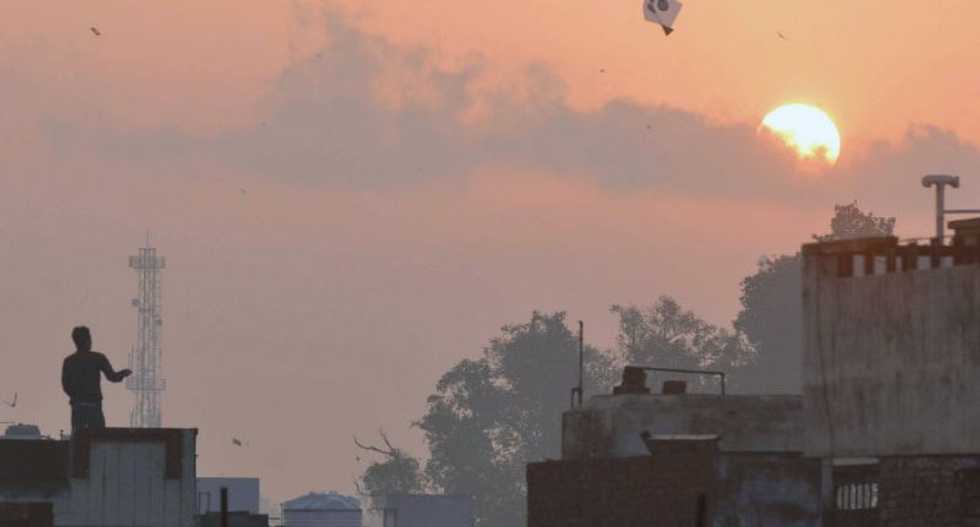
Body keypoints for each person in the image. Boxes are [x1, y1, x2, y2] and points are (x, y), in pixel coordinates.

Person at [61, 326, 131, 433]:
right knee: (99, 438)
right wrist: (123, 373)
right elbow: (112, 377)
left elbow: (65, 385)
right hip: (94, 407)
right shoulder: (98, 358)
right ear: (88, 340)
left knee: (78, 438)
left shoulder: (69, 361)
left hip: (78, 408)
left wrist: (77, 396)